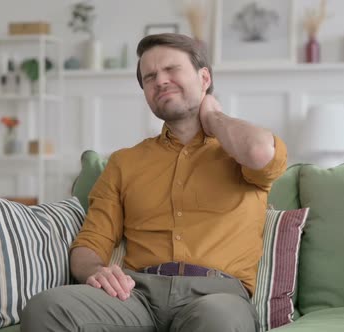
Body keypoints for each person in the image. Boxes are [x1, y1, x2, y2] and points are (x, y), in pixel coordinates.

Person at [20, 33, 287, 332]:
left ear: (204, 77)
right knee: (47, 308)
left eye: (171, 70)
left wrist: (213, 116)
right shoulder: (124, 162)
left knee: (217, 320)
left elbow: (260, 152)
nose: (160, 81)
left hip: (217, 296)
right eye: (149, 77)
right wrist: (95, 271)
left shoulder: (240, 151)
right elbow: (90, 242)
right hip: (136, 295)